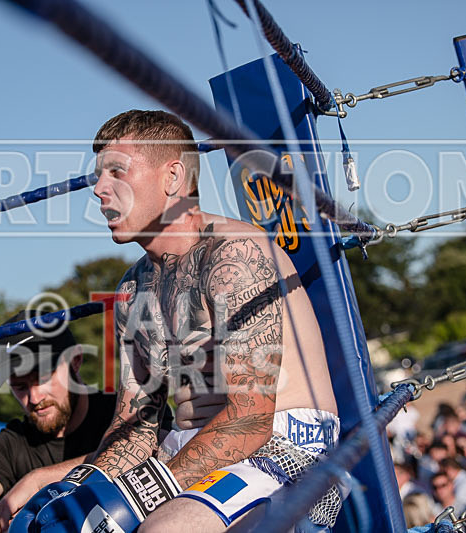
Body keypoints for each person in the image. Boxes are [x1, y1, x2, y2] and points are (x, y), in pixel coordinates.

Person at [80, 109, 340, 531]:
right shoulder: (132, 290)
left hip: (286, 445)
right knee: (68, 521)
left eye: (116, 172)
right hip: (188, 449)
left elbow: (251, 416)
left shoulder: (234, 253)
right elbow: (136, 424)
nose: (99, 189)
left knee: (163, 530)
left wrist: (145, 490)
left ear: (172, 177)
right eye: (98, 175)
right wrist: (84, 485)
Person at [0, 309, 175, 533]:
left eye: (42, 378)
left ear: (75, 361)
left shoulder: (128, 412)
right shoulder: (6, 447)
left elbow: (156, 458)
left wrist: (38, 481)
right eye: (20, 387)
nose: (34, 398)